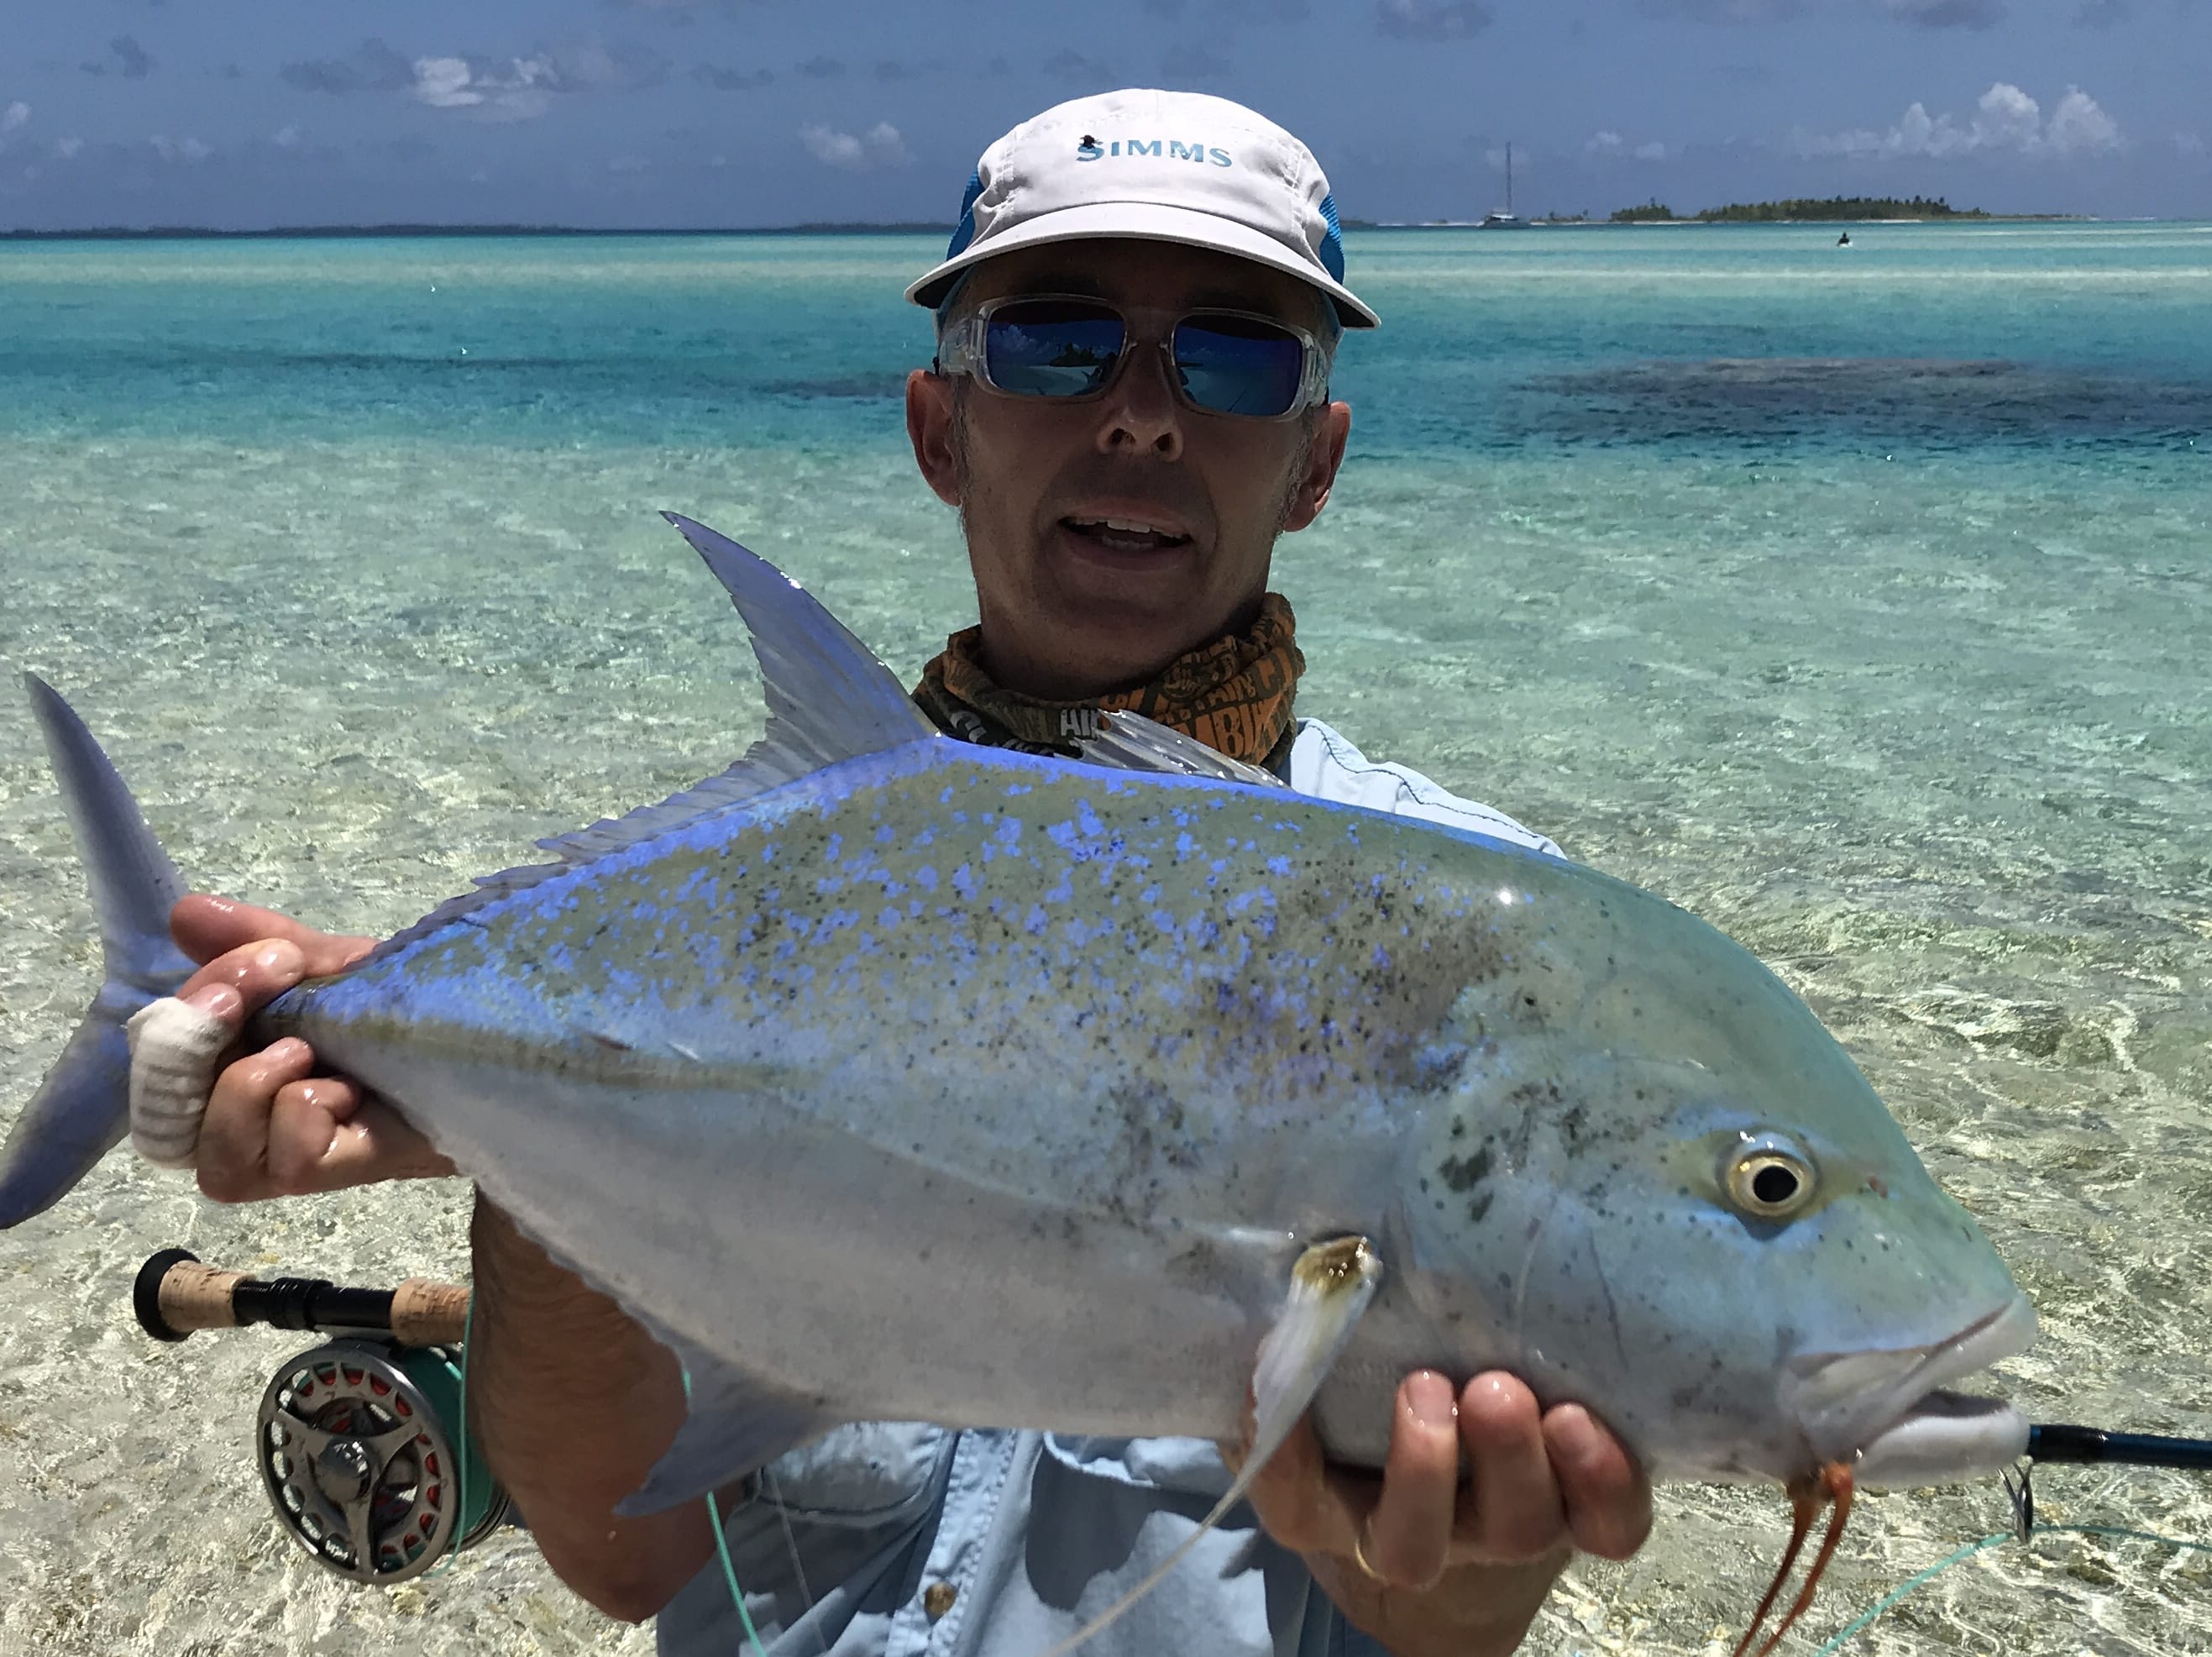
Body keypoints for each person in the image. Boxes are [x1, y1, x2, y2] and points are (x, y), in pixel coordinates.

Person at [158, 89, 1651, 1656]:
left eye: (1230, 355)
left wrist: (1463, 1549)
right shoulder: (705, 900)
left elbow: (1444, 1622)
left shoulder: (1494, 942)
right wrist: (543, 1128)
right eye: (1053, 343)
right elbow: (624, 1550)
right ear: (941, 426)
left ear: (1315, 461)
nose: (1139, 415)